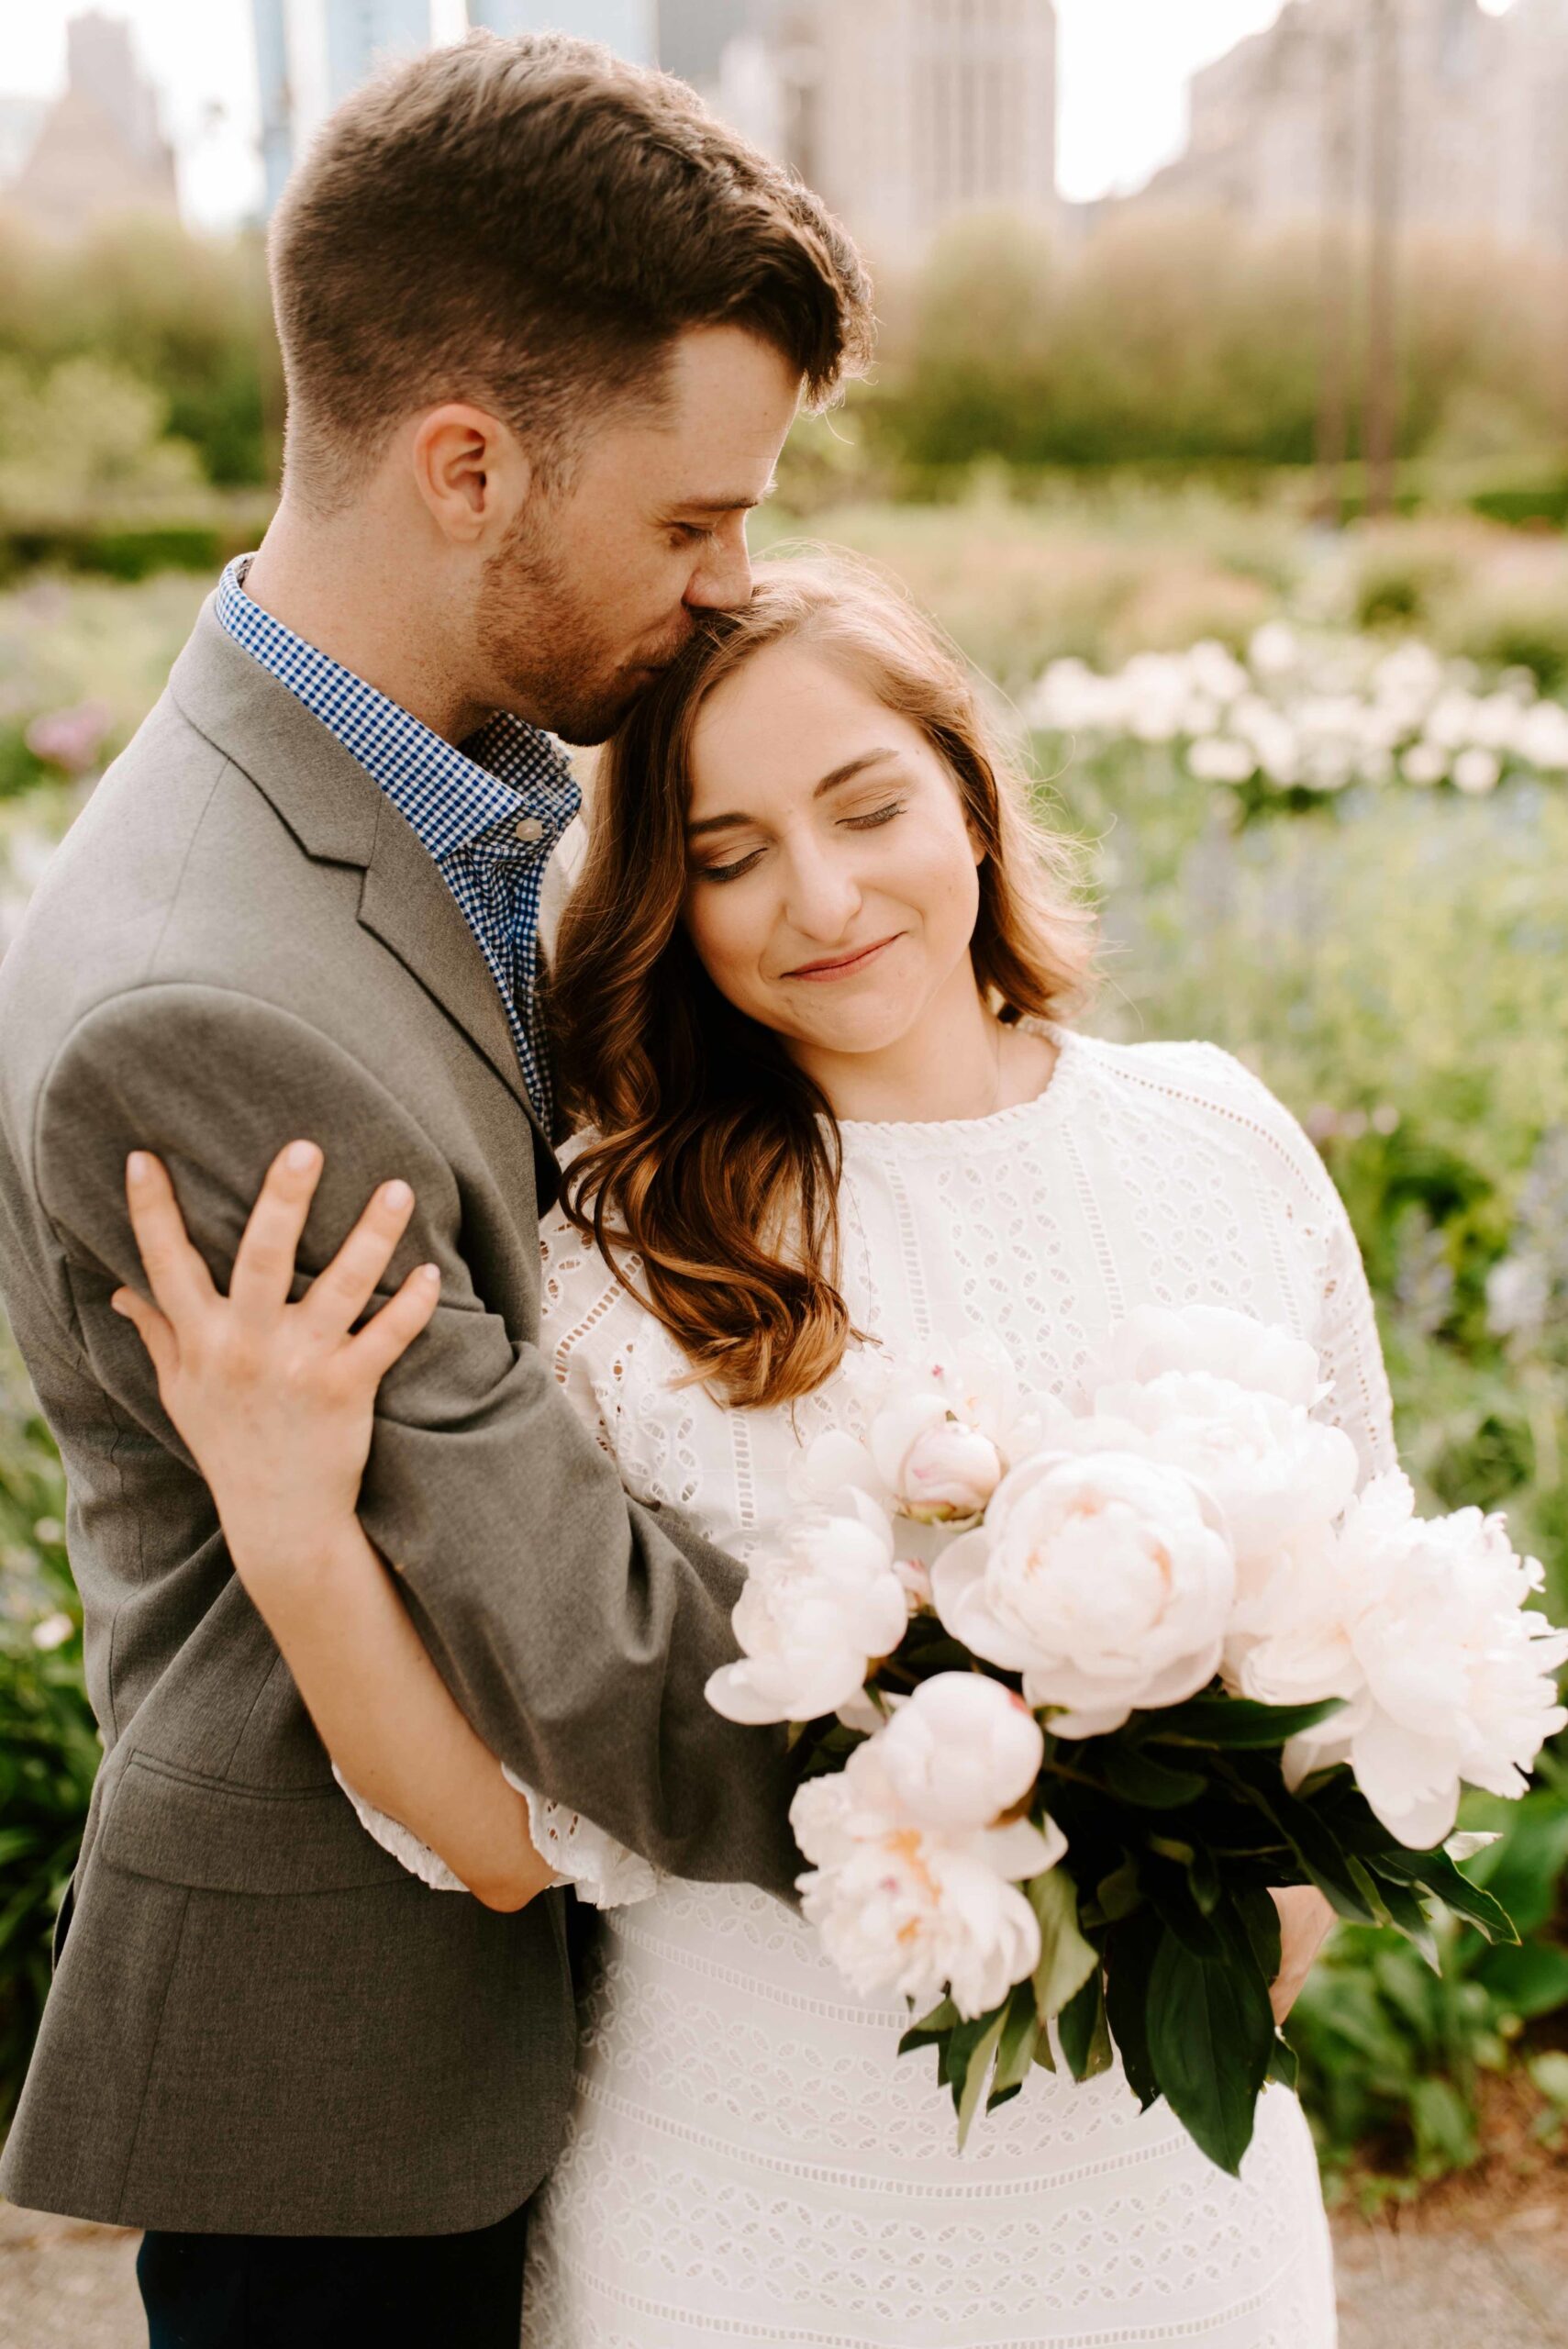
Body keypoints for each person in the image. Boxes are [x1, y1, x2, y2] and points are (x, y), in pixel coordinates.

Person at [114, 555, 1384, 2345]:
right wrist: (288, 1518)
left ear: (971, 794)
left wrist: (1231, 1941)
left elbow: (1361, 1672)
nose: (825, 893)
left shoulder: (1228, 1145)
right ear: (664, 903)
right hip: (747, 2235)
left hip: (1174, 2221)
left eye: (869, 803)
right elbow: (498, 1836)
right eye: (727, 854)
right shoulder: (625, 1260)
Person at [0, 33, 872, 2348]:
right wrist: (1062, 1763)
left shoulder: (482, 784)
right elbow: (573, 1632)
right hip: (370, 2098)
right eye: (696, 522)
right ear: (467, 465)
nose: (734, 586)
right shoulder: (206, 999)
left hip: (590, 2010)